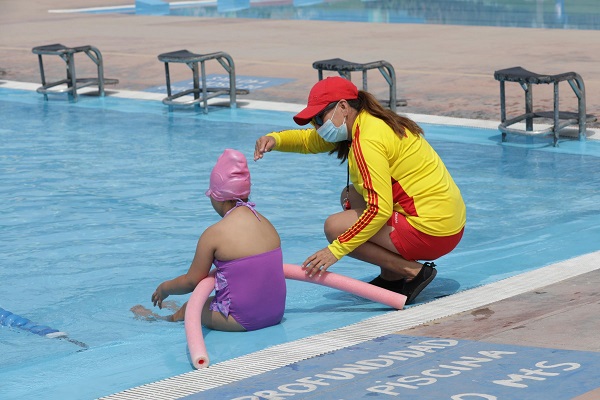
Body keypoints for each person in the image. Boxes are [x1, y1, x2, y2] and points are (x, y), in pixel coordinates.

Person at [254, 77, 466, 304]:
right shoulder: (367, 121)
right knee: (351, 195)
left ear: (343, 107)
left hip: (432, 232)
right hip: (447, 224)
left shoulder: (368, 139)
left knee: (335, 227)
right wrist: (274, 139)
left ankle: (410, 271)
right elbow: (310, 141)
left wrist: (335, 250)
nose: (316, 126)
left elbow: (379, 210)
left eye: (318, 118)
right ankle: (391, 276)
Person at [144, 149, 286, 331]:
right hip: (275, 313)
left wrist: (165, 288)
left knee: (191, 308)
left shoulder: (214, 234)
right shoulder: (265, 222)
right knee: (207, 301)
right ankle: (179, 310)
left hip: (242, 319)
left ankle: (162, 319)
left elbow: (191, 281)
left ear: (217, 196)